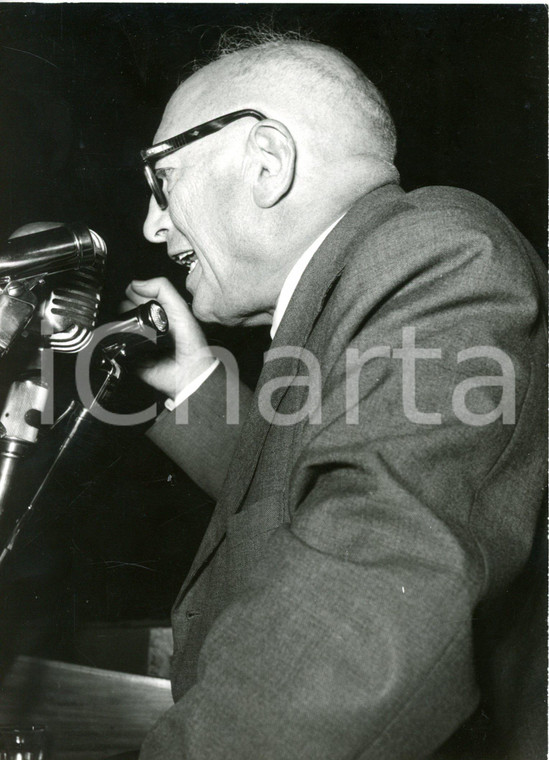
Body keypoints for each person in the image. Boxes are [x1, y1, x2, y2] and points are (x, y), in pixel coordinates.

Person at [123, 35, 547, 760]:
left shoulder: (438, 251)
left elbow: (369, 577)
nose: (151, 226)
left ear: (266, 161)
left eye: (162, 183)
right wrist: (189, 385)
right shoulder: (351, 300)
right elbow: (315, 497)